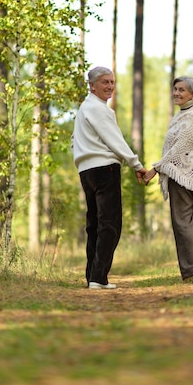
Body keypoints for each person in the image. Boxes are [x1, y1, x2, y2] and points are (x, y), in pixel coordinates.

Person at [72, 66, 146, 290]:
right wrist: (136, 164)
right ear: (92, 85)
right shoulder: (98, 109)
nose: (110, 86)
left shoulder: (85, 108)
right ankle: (98, 277)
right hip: (105, 170)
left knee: (95, 224)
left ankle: (92, 276)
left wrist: (82, 162)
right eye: (105, 82)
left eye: (112, 82)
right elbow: (115, 139)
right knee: (110, 225)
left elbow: (74, 140)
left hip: (87, 172)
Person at [143, 76, 193, 283]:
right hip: (179, 174)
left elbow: (179, 148)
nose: (176, 93)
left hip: (184, 176)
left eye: (182, 90)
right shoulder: (182, 115)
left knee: (182, 223)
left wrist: (155, 169)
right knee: (186, 223)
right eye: (175, 89)